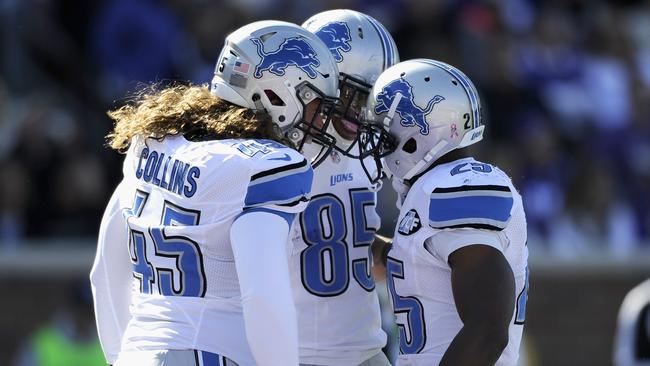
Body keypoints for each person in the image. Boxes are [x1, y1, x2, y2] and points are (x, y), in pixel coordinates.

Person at [90, 20, 340, 366]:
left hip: (138, 354)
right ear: (274, 93)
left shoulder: (155, 142)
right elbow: (263, 296)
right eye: (313, 101)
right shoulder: (269, 166)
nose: (320, 119)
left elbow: (105, 272)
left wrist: (120, 356)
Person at [365, 59, 529, 365]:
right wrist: (372, 247)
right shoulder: (435, 186)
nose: (380, 146)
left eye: (386, 134)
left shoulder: (458, 187)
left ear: (417, 134)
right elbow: (428, 266)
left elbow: (488, 331)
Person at [286, 10, 399, 366]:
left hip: (362, 346)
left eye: (371, 99)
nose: (361, 110)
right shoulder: (279, 150)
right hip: (295, 349)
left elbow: (349, 240)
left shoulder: (362, 148)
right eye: (351, 92)